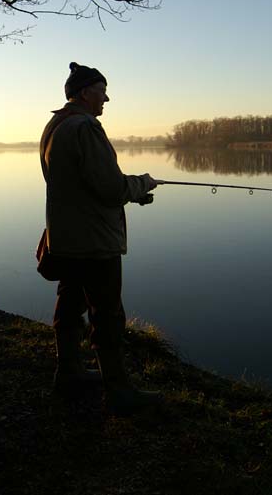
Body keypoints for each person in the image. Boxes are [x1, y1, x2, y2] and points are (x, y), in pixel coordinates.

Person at [39, 61, 163, 413]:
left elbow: (82, 183)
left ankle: (69, 372)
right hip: (93, 241)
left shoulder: (54, 126)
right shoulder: (85, 128)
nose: (107, 98)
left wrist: (130, 191)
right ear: (82, 93)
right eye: (101, 90)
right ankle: (119, 392)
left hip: (64, 237)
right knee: (107, 314)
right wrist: (141, 184)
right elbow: (109, 187)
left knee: (70, 303)